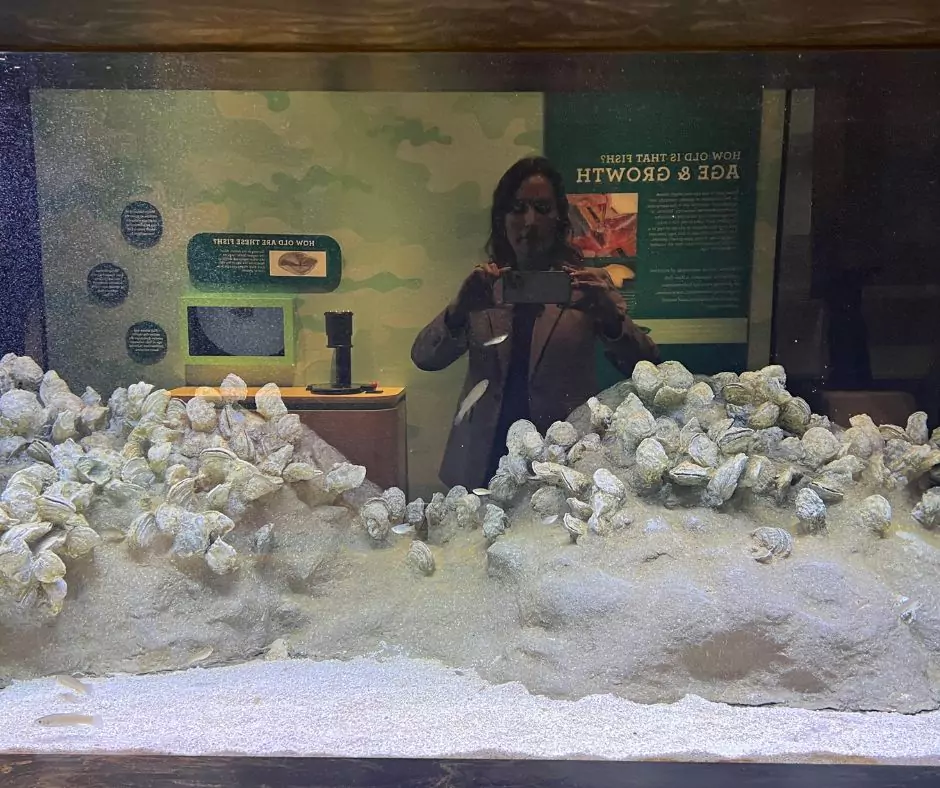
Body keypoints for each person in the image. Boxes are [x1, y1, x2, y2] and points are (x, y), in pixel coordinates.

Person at [411, 156, 660, 489]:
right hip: (482, 459)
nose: (530, 221)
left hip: (562, 460)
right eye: (517, 208)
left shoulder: (587, 287)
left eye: (542, 208)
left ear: (559, 218)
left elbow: (647, 367)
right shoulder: (485, 287)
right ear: (502, 219)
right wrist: (458, 309)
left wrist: (610, 316)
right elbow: (425, 358)